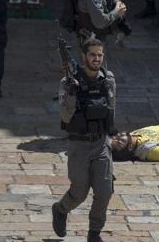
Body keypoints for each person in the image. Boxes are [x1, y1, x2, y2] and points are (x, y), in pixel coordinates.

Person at [51, 38, 116, 242]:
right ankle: (61, 209)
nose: (96, 59)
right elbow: (65, 117)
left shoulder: (108, 79)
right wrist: (72, 93)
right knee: (79, 192)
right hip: (79, 145)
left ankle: (94, 233)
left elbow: (111, 107)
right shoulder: (68, 82)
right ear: (84, 56)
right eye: (92, 55)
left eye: (100, 55)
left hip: (100, 143)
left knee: (105, 191)